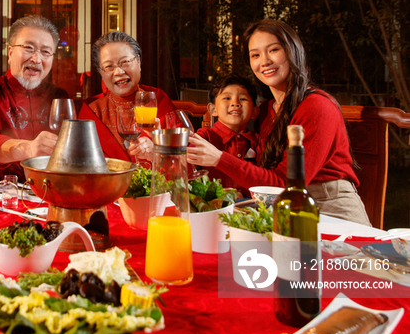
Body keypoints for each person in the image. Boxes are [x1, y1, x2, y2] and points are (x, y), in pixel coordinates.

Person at [187, 19, 371, 225]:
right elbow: (261, 170)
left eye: (273, 50)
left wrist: (219, 158)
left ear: (293, 51)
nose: (264, 61)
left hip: (329, 208)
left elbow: (284, 184)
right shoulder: (266, 110)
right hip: (276, 206)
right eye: (255, 55)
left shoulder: (317, 107)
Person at [0, 15, 69, 183]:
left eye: (45, 52)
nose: (36, 59)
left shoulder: (58, 97)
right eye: (29, 48)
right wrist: (28, 148)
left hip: (49, 193)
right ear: (10, 52)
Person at [78, 31, 180, 163]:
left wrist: (159, 153)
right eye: (109, 66)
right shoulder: (93, 112)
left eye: (125, 62)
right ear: (100, 72)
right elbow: (79, 165)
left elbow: (186, 163)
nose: (119, 72)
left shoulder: (158, 102)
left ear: (139, 61)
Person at [195, 74, 259, 196]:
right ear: (213, 109)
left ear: (254, 111)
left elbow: (264, 176)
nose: (235, 103)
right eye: (227, 98)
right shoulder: (205, 137)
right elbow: (187, 149)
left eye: (243, 99)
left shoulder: (258, 141)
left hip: (251, 207)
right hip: (213, 207)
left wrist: (243, 193)